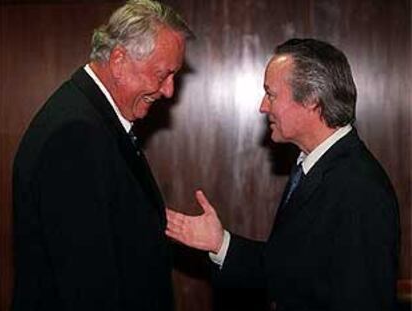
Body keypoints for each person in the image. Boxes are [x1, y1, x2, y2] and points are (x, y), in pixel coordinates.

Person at [166, 38, 400, 310]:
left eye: (271, 93)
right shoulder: (316, 167)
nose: (263, 106)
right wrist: (219, 243)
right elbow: (290, 271)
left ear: (312, 100)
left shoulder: (359, 188)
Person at [12, 1, 192, 310]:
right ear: (119, 60)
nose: (169, 91)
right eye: (163, 74)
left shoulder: (93, 117)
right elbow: (88, 285)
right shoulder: (76, 134)